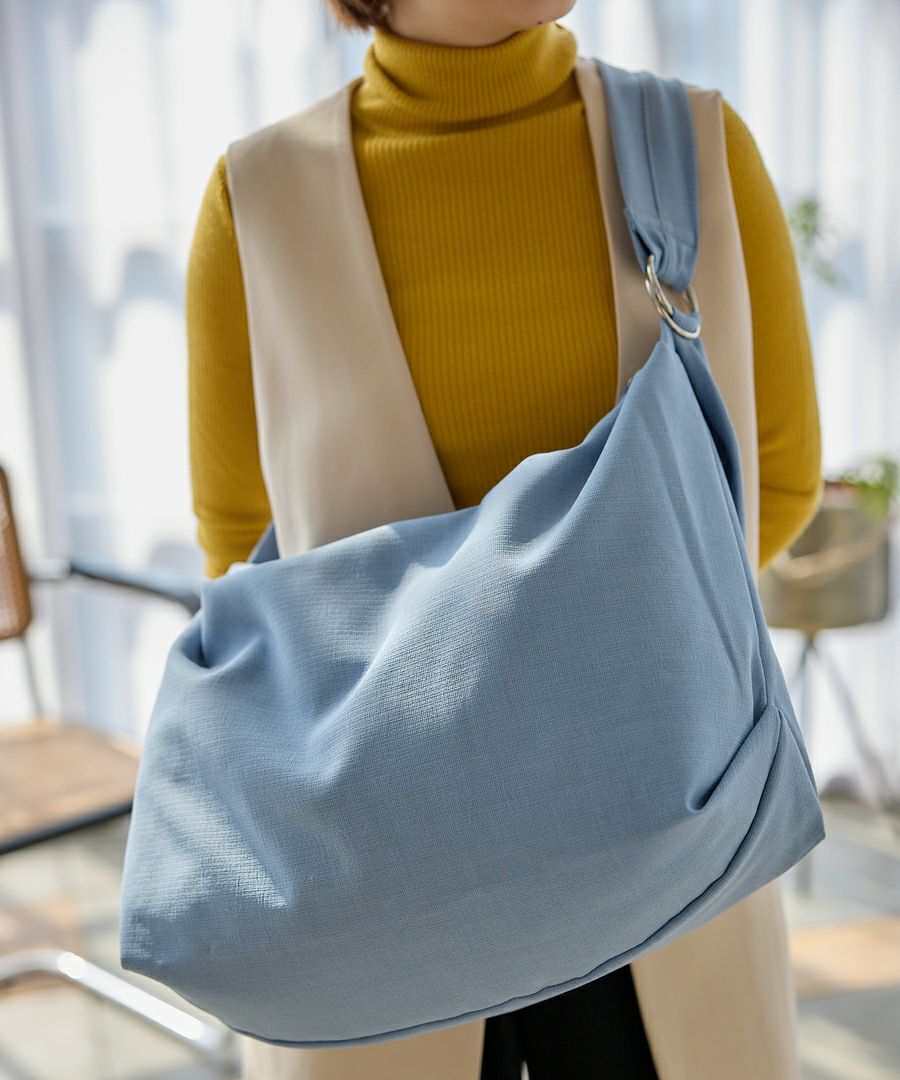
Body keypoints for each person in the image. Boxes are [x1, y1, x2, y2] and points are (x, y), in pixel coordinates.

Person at [185, 1, 824, 1077]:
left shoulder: (266, 198)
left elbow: (244, 559)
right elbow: (768, 484)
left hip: (412, 866)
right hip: (649, 819)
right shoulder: (692, 152)